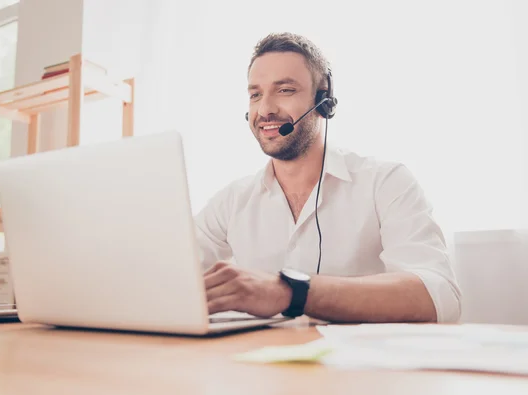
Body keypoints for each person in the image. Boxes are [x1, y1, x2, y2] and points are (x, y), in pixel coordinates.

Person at [195, 32, 461, 323]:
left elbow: (439, 297)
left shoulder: (385, 182)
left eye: (284, 90)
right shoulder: (231, 201)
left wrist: (290, 291)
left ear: (324, 101)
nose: (265, 109)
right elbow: (170, 275)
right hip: (262, 362)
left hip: (359, 364)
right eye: (255, 94)